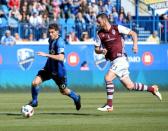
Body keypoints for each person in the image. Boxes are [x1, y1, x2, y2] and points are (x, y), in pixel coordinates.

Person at [94, 13, 162, 112]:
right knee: (130, 86)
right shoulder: (99, 34)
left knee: (108, 78)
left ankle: (109, 105)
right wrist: (101, 51)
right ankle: (152, 89)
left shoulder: (117, 28)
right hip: (114, 61)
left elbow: (133, 33)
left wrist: (135, 45)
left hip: (121, 59)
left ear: (104, 20)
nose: (98, 23)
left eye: (99, 21)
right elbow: (96, 49)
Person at [28, 23, 81, 111]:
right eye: (49, 32)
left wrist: (46, 55)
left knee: (63, 91)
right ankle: (34, 101)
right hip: (48, 69)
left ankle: (76, 97)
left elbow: (61, 57)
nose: (50, 34)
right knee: (35, 83)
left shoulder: (60, 42)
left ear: (57, 32)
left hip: (59, 72)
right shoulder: (50, 40)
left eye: (52, 32)